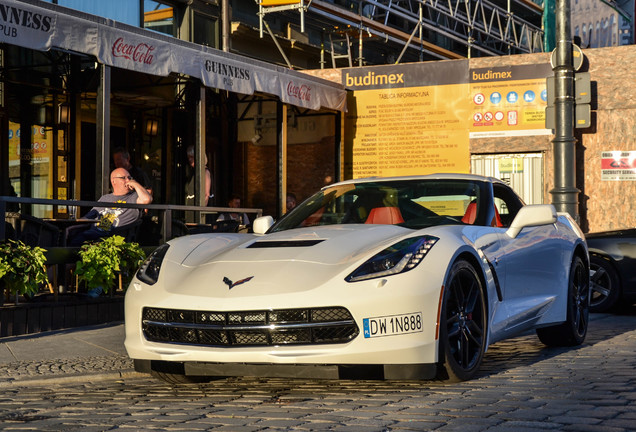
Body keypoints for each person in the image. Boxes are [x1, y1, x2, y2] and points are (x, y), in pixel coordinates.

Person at [68, 168, 153, 246]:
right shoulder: (105, 198)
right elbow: (89, 217)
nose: (128, 180)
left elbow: (147, 199)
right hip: (92, 234)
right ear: (113, 181)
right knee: (70, 239)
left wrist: (135, 183)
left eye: (129, 178)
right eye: (123, 178)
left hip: (113, 238)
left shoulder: (134, 197)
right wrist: (72, 224)